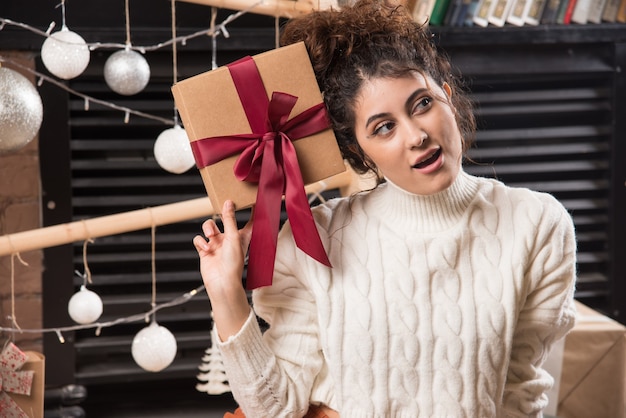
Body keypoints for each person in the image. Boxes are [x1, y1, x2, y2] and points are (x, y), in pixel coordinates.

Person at [192, 0, 577, 416]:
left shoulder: (537, 223)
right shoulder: (316, 240)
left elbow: (519, 392)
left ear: (447, 97)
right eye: (384, 127)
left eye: (423, 104)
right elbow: (276, 408)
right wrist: (226, 292)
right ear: (360, 150)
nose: (416, 136)